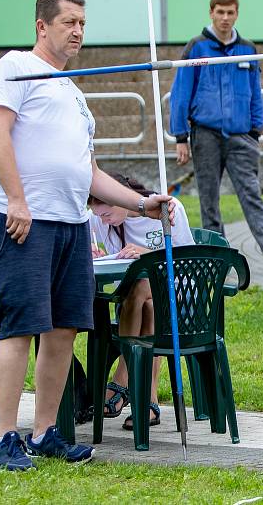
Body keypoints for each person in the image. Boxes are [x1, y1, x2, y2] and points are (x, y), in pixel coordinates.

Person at [0, 0, 173, 471]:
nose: (78, 31)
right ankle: (4, 439)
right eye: (68, 22)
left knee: (64, 330)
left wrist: (140, 204)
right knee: (20, 326)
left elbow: (87, 172)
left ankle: (45, 432)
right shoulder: (14, 68)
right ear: (42, 26)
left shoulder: (73, 89)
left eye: (83, 23)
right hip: (25, 219)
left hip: (71, 223)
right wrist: (18, 201)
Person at [169, 0, 263, 275]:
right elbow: (180, 93)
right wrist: (180, 136)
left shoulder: (247, 48)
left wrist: (255, 129)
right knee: (209, 198)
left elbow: (255, 92)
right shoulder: (196, 47)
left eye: (230, 12)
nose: (224, 18)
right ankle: (216, 257)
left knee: (251, 195)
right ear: (211, 13)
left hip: (241, 136)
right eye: (219, 12)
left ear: (236, 14)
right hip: (205, 134)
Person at [89, 173, 194, 431]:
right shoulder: (100, 221)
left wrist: (148, 255)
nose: (103, 220)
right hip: (136, 302)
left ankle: (122, 380)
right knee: (144, 299)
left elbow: (186, 262)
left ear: (121, 197)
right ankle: (147, 398)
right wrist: (94, 252)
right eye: (100, 216)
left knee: (147, 288)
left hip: (178, 294)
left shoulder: (167, 210)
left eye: (107, 213)